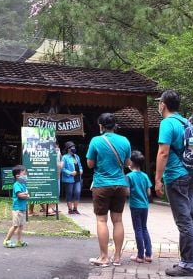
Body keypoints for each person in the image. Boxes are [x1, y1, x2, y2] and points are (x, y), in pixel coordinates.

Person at [154, 89, 193, 277]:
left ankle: (188, 265)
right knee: (190, 217)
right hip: (192, 173)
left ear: (163, 105)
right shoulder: (185, 122)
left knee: (183, 221)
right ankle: (188, 260)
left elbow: (163, 152)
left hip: (176, 176)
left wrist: (157, 178)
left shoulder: (167, 123)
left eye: (159, 102)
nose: (158, 105)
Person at [86, 113, 131, 267]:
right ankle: (117, 258)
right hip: (120, 184)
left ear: (101, 126)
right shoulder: (124, 141)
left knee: (101, 220)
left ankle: (104, 257)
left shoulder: (96, 141)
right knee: (118, 220)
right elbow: (127, 163)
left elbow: (90, 164)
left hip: (102, 184)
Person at [127, 150, 153, 264]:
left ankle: (140, 255)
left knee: (137, 229)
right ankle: (148, 254)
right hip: (145, 206)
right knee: (144, 228)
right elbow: (148, 193)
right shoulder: (145, 176)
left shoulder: (128, 176)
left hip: (135, 206)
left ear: (131, 162)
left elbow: (127, 193)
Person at [4, 165, 30, 248]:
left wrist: (26, 195)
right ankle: (6, 240)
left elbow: (25, 193)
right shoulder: (16, 184)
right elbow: (19, 195)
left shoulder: (23, 184)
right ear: (18, 176)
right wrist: (26, 195)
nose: (26, 175)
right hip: (17, 208)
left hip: (22, 208)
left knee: (21, 226)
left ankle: (19, 241)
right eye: (24, 173)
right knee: (15, 225)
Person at [61, 141, 83, 214]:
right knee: (69, 193)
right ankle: (70, 209)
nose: (73, 148)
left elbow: (79, 165)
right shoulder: (65, 157)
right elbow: (62, 168)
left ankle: (75, 208)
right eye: (72, 147)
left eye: (74, 147)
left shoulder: (77, 156)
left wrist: (81, 170)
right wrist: (70, 173)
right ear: (68, 149)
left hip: (77, 178)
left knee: (77, 192)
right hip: (69, 178)